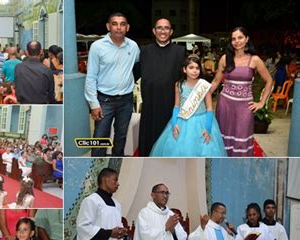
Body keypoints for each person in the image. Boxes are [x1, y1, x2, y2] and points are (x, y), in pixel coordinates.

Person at [209, 27, 273, 156]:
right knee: (223, 138)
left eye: (240, 37)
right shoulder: (224, 59)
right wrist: (200, 97)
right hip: (225, 105)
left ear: (247, 39)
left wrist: (261, 103)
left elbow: (269, 81)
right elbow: (216, 82)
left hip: (244, 107)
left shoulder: (254, 59)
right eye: (233, 38)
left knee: (241, 139)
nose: (236, 41)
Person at [85, 12, 140, 157]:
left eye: (122, 24)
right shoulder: (97, 47)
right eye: (114, 24)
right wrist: (94, 104)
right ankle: (95, 164)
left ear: (127, 28)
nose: (118, 28)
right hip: (104, 101)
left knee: (121, 136)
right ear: (108, 26)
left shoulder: (133, 46)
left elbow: (138, 66)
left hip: (126, 100)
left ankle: (116, 161)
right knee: (100, 138)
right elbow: (90, 77)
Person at [150, 55, 226, 156]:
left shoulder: (204, 85)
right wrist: (174, 123)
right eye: (191, 68)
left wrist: (207, 128)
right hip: (183, 121)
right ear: (184, 70)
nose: (194, 71)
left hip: (202, 121)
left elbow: (209, 108)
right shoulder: (179, 85)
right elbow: (176, 106)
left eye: (197, 68)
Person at [138, 18, 185, 156]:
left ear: (171, 32)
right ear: (154, 31)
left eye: (166, 28)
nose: (162, 31)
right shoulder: (145, 50)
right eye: (159, 28)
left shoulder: (180, 51)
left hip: (170, 102)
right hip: (150, 102)